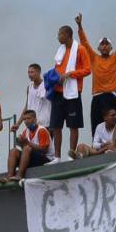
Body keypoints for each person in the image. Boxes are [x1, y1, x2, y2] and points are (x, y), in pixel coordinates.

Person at [76, 12, 116, 137]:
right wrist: (79, 26)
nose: (104, 46)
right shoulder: (94, 58)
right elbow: (84, 44)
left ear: (111, 47)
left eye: (107, 44)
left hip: (113, 95)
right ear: (99, 48)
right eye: (102, 44)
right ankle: (97, 148)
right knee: (96, 124)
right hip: (98, 96)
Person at [50, 24, 92, 159]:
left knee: (73, 125)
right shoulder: (60, 50)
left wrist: (69, 74)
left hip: (73, 93)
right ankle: (57, 157)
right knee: (56, 126)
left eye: (60, 34)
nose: (58, 37)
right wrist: (53, 79)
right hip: (58, 92)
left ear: (67, 35)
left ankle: (71, 154)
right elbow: (57, 69)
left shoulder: (80, 49)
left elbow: (87, 70)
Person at [0, 110, 55, 183]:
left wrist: (27, 143)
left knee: (27, 148)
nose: (26, 121)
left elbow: (44, 150)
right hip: (33, 159)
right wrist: (21, 143)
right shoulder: (26, 132)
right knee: (13, 151)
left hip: (46, 160)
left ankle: (19, 175)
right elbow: (25, 151)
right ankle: (9, 177)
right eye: (24, 119)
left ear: (35, 119)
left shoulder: (41, 130)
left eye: (28, 118)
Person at [11, 63, 51, 133]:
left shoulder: (46, 85)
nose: (30, 75)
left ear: (39, 72)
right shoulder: (29, 87)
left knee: (45, 144)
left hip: (45, 124)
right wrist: (18, 124)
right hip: (32, 125)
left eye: (32, 72)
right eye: (28, 72)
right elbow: (26, 106)